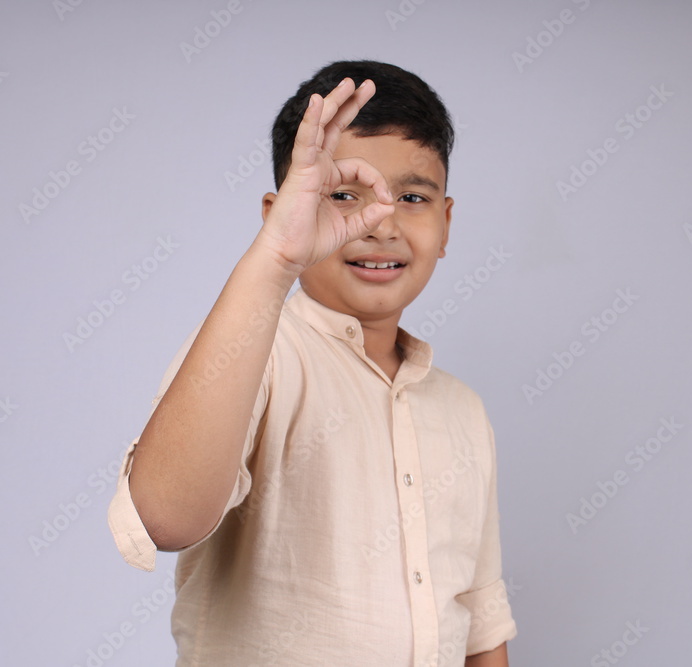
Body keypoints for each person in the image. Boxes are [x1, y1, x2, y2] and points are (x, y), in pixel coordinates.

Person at [107, 60, 518, 666]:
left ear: (446, 221)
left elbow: (479, 618)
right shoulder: (252, 354)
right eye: (343, 194)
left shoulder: (462, 410)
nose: (379, 223)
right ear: (280, 211)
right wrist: (276, 258)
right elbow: (166, 519)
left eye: (411, 197)